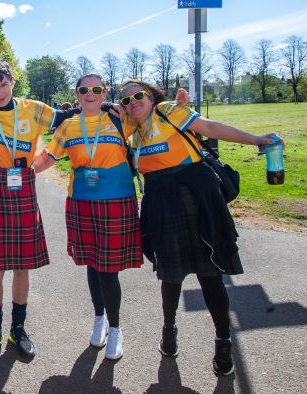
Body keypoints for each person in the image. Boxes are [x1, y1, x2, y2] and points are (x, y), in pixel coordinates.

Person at [119, 79, 282, 376]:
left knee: (210, 275)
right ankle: (169, 330)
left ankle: (223, 341)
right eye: (126, 100)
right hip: (160, 205)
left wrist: (257, 139)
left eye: (138, 96)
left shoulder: (169, 111)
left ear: (152, 97)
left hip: (195, 198)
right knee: (170, 277)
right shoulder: (131, 130)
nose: (132, 103)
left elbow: (211, 128)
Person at [0, 56, 78, 361]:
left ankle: (18, 330)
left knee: (22, 266)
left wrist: (109, 108)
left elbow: (72, 119)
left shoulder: (35, 109)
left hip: (23, 191)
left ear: (12, 81)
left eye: (3, 84)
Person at [33, 74, 143, 360]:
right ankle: (99, 319)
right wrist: (17, 173)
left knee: (108, 269)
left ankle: (116, 328)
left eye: (97, 89)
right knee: (92, 264)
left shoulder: (121, 120)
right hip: (82, 201)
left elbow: (151, 126)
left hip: (117, 201)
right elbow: (47, 158)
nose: (90, 94)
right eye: (84, 89)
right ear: (77, 93)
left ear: (104, 93)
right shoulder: (69, 126)